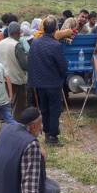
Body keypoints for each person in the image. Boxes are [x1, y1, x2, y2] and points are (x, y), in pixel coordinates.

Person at [27, 16, 67, 146]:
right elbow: (62, 66)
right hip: (53, 83)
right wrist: (63, 77)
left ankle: (47, 132)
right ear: (56, 29)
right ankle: (52, 137)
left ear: (43, 29)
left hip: (39, 83)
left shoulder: (35, 42)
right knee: (54, 110)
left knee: (44, 108)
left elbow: (30, 62)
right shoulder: (56, 45)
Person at [0, 22, 29, 119]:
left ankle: (8, 124)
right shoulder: (17, 45)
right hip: (17, 79)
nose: (20, 35)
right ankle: (16, 127)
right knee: (19, 107)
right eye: (19, 33)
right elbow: (25, 65)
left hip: (5, 78)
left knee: (8, 105)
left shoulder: (2, 42)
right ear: (16, 33)